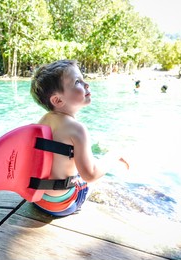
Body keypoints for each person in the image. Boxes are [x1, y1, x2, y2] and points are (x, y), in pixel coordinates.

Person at [30, 59, 128, 217]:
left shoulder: (43, 121)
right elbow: (89, 175)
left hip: (37, 198)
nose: (86, 84)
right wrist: (114, 156)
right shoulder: (77, 129)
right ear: (58, 100)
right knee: (95, 178)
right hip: (59, 205)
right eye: (77, 82)